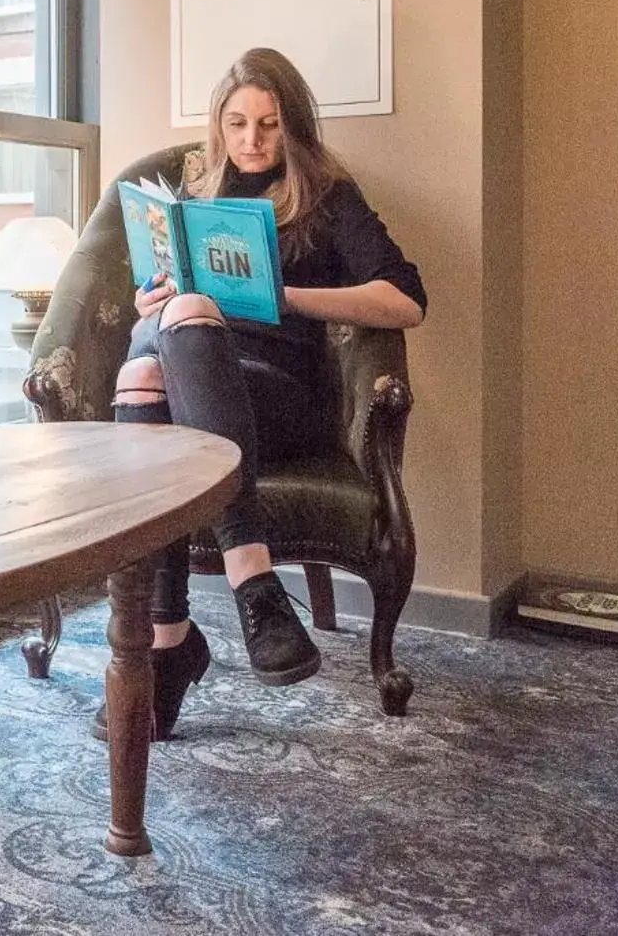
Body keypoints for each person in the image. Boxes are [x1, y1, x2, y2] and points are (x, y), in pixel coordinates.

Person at [109, 47, 426, 740]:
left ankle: (234, 589)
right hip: (194, 384)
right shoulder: (192, 203)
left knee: (180, 330)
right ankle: (175, 637)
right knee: (146, 366)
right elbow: (160, 324)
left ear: (294, 128)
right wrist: (150, 304)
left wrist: (282, 295)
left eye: (269, 124)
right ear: (217, 127)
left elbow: (406, 299)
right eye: (237, 123)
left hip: (284, 397)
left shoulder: (329, 199)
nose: (251, 139)